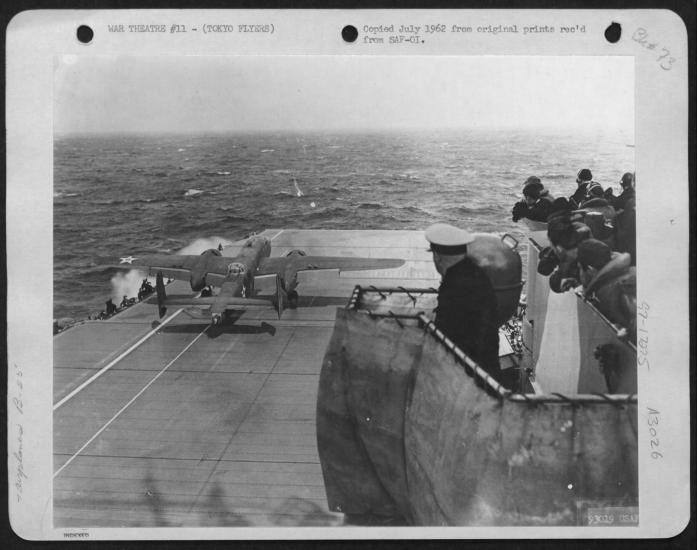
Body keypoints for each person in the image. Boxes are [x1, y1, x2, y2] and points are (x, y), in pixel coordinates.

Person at [425, 223, 503, 386]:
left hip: (468, 378)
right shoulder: (473, 273)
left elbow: (447, 336)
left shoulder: (455, 285)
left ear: (437, 257)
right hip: (485, 371)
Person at [577, 239, 636, 342]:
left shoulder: (621, 288)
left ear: (590, 270)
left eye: (580, 268)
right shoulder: (619, 277)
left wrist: (631, 332)